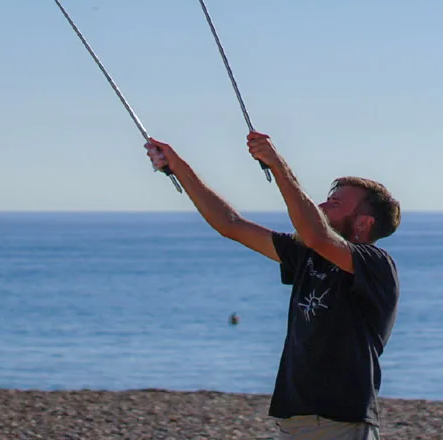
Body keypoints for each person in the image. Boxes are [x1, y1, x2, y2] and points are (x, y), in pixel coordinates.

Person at [145, 132, 400, 440]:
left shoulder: (376, 263)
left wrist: (277, 165)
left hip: (340, 421)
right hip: (294, 420)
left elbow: (317, 234)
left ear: (364, 223)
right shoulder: (307, 254)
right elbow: (231, 225)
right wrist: (177, 167)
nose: (320, 206)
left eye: (333, 203)